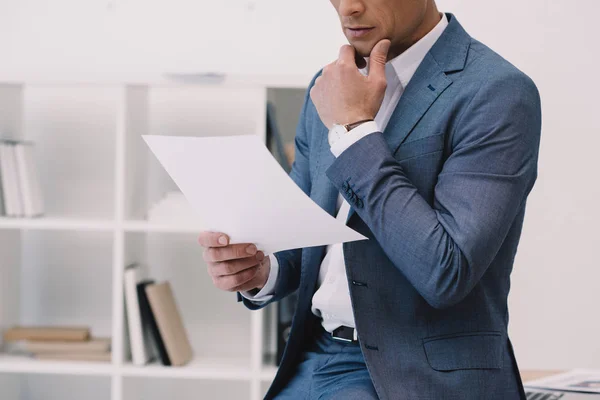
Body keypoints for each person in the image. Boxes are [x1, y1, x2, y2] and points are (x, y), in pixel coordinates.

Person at [198, 0, 541, 398]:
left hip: (416, 375)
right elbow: (303, 233)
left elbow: (446, 272)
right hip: (313, 357)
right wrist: (260, 271)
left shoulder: (497, 92)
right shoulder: (326, 87)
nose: (349, 7)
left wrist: (355, 130)